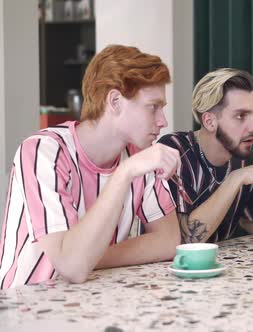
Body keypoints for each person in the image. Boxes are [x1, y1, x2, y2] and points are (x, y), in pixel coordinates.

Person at [0, 45, 181, 289]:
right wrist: (124, 173)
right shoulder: (42, 152)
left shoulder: (138, 156)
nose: (163, 121)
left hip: (95, 300)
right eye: (153, 107)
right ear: (115, 101)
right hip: (27, 308)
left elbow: (169, 241)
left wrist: (90, 256)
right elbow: (74, 268)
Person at [158, 68, 253, 244]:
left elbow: (252, 220)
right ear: (209, 121)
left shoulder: (245, 158)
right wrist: (235, 179)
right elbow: (185, 238)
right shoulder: (174, 151)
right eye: (241, 116)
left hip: (217, 265)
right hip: (168, 268)